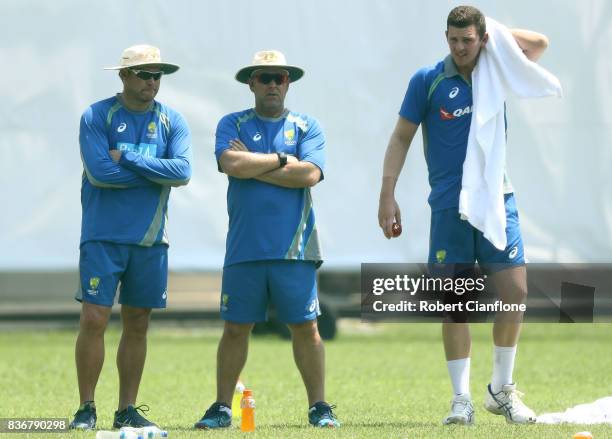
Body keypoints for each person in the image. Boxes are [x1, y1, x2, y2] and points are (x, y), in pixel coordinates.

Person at [378, 6, 550, 425]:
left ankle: (501, 389)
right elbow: (401, 136)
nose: (459, 48)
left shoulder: (498, 68)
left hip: (496, 198)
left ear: (482, 38)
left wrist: (496, 34)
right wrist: (387, 193)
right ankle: (461, 399)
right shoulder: (428, 79)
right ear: (445, 38)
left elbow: (540, 44)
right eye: (453, 40)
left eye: (468, 40)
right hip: (449, 206)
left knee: (516, 291)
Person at [194, 50, 339, 429]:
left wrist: (256, 164)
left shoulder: (308, 126)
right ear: (251, 83)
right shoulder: (233, 123)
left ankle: (319, 406)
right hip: (245, 247)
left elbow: (308, 175)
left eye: (280, 77)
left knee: (305, 327)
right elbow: (231, 164)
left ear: (288, 82)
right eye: (265, 77)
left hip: (295, 248)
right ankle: (223, 407)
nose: (273, 84)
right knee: (235, 327)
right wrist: (280, 160)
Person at [69, 44, 192, 430]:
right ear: (124, 76)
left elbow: (183, 172)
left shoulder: (173, 120)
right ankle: (87, 408)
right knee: (94, 318)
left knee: (137, 323)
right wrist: (155, 174)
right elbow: (100, 173)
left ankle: (127, 408)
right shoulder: (97, 115)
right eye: (144, 73)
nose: (152, 81)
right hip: (102, 236)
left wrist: (132, 159)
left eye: (157, 75)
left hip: (150, 240)